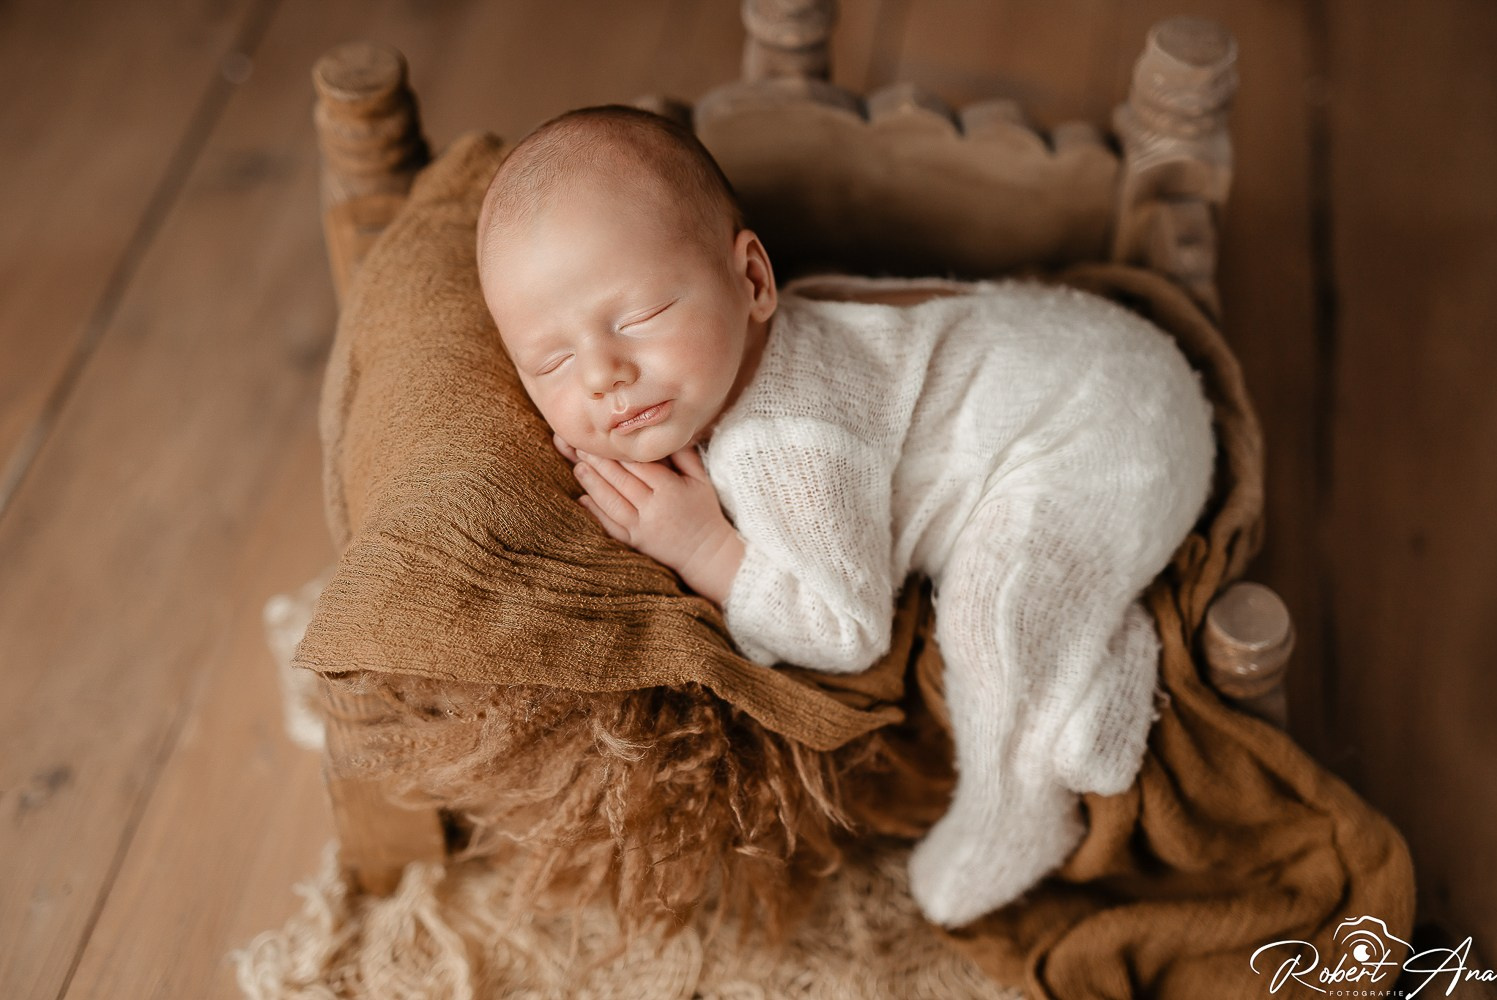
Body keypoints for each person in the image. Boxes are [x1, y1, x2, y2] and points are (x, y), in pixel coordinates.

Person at [475, 105, 1216, 927]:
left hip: (1102, 439)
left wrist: (703, 544)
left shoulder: (786, 439)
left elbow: (846, 630)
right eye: (552, 359)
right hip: (1105, 367)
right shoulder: (757, 340)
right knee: (1044, 589)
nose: (605, 374)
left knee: (987, 620)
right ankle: (1098, 665)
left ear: (752, 280)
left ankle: (1020, 812)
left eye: (638, 318)